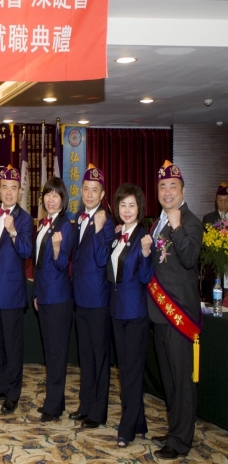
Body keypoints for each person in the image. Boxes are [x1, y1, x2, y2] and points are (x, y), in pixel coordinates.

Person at [148, 161, 203, 460]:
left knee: (182, 381)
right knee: (168, 379)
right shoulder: (158, 221)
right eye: (162, 186)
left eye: (173, 186)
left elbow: (190, 258)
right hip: (159, 313)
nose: (167, 192)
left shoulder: (190, 221)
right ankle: (174, 430)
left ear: (183, 190)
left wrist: (178, 226)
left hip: (178, 314)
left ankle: (182, 440)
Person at [107, 183, 154, 448]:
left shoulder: (143, 237)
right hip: (117, 311)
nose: (127, 210)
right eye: (123, 205)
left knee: (132, 371)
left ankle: (126, 429)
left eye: (131, 205)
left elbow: (146, 277)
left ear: (139, 208)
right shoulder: (118, 236)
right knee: (124, 369)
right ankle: (139, 422)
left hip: (135, 313)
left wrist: (146, 254)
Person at [0, 165, 33, 415]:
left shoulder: (25, 219)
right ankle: (0, 387)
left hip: (12, 292)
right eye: (5, 187)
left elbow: (26, 252)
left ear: (19, 191)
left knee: (13, 346)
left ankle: (13, 393)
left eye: (14, 188)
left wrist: (13, 231)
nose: (9, 192)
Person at [70, 164, 115, 429]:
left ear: (102, 194)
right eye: (86, 189)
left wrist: (98, 230)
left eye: (94, 190)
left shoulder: (106, 222)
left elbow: (101, 259)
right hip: (81, 298)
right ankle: (85, 404)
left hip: (98, 300)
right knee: (85, 356)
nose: (89, 194)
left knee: (100, 358)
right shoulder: (79, 217)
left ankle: (98, 412)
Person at [33, 177, 75, 423]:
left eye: (55, 195)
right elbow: (38, 264)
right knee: (49, 352)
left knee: (57, 354)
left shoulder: (65, 226)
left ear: (62, 199)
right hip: (44, 295)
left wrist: (58, 249)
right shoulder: (43, 224)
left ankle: (53, 406)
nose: (51, 199)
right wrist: (36, 294)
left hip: (59, 298)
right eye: (48, 194)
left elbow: (61, 265)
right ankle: (55, 401)